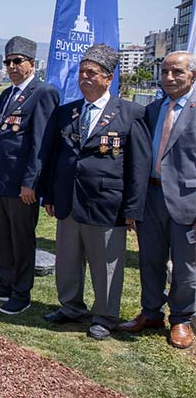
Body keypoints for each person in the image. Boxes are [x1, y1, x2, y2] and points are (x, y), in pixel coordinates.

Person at [41, 44, 150, 340]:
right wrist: (49, 194)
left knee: (106, 265)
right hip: (67, 200)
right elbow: (54, 158)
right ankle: (71, 306)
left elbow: (138, 168)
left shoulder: (130, 113)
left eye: (92, 73)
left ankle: (104, 316)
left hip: (106, 203)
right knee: (67, 259)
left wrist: (132, 210)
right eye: (81, 72)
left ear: (109, 77)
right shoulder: (67, 112)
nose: (84, 77)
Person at [0, 36, 59, 315]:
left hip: (20, 184)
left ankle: (22, 292)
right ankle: (5, 280)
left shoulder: (43, 92)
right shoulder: (7, 94)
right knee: (1, 236)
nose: (11, 66)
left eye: (17, 61)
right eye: (8, 61)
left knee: (21, 240)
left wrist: (30, 183)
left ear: (31, 64)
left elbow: (40, 144)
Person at [118, 51, 196, 349]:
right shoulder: (151, 110)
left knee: (186, 267)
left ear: (192, 75)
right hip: (151, 196)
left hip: (187, 201)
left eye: (177, 72)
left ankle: (181, 319)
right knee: (150, 260)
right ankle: (151, 313)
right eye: (165, 72)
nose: (169, 78)